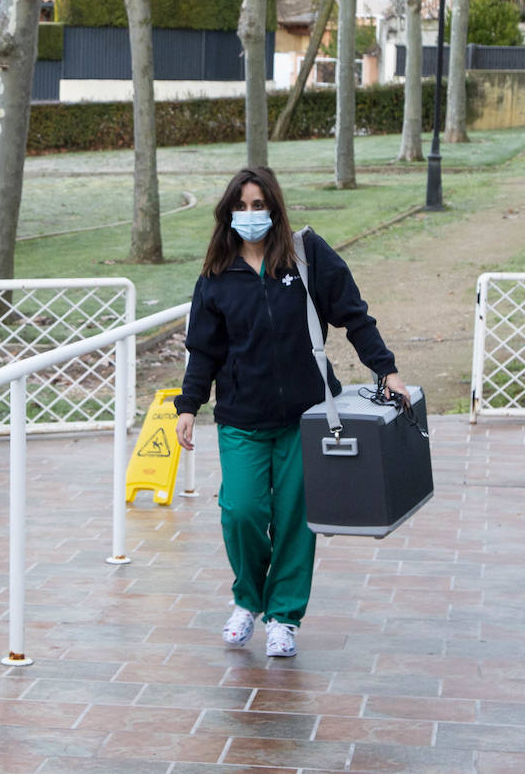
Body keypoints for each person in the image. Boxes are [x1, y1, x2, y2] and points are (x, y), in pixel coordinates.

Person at [174, 166, 409, 658]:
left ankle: (283, 616)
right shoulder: (217, 276)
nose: (250, 214)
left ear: (275, 208)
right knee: (241, 511)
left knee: (295, 518)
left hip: (308, 416)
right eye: (241, 206)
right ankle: (247, 600)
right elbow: (204, 350)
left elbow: (353, 315)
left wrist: (385, 370)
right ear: (227, 213)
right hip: (241, 417)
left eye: (259, 205)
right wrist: (188, 405)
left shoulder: (306, 257)